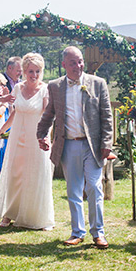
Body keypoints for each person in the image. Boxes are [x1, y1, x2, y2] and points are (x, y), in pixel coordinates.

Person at [37, 46, 113, 249]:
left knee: (95, 188)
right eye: (73, 62)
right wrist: (41, 134)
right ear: (64, 65)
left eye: (80, 61)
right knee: (73, 190)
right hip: (68, 144)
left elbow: (107, 116)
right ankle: (77, 232)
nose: (78, 66)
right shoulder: (55, 86)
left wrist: (107, 143)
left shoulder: (98, 84)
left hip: (92, 145)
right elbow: (49, 113)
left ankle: (98, 233)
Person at [0, 53, 54, 230]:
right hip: (17, 138)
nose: (33, 75)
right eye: (30, 71)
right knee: (15, 175)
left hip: (37, 139)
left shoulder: (45, 90)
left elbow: (48, 116)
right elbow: (14, 113)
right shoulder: (18, 88)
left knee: (36, 175)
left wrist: (44, 137)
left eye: (37, 71)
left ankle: (39, 217)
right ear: (24, 72)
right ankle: (10, 213)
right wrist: (2, 130)